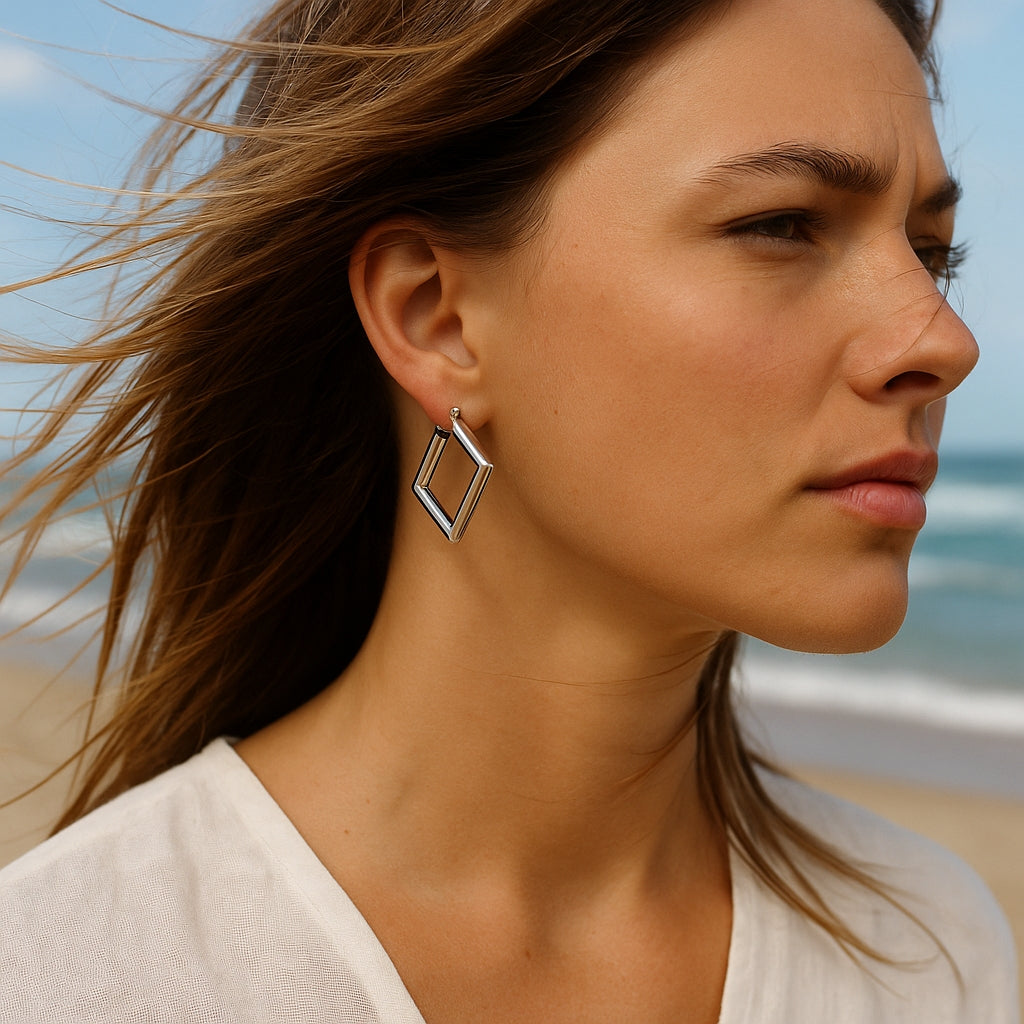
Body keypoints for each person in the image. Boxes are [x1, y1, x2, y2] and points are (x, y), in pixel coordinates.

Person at [0, 0, 1018, 1020]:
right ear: (436, 318)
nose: (939, 339)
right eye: (780, 225)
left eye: (932, 252)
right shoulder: (65, 973)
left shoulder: (927, 952)